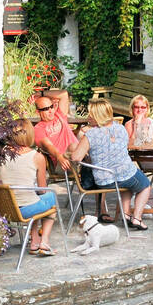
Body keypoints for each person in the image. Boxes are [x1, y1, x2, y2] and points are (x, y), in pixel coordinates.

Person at [71, 98, 152, 231]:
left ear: (98, 115)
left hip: (104, 180)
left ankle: (126, 216)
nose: (88, 117)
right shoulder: (120, 128)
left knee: (127, 183)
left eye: (91, 114)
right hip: (124, 174)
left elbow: (75, 157)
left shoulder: (90, 134)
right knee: (145, 186)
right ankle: (137, 218)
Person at [34, 88, 109, 221]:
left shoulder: (59, 115)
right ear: (37, 112)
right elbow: (48, 146)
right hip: (63, 164)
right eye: (45, 109)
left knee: (96, 162)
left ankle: (101, 210)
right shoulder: (38, 129)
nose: (51, 110)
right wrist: (60, 156)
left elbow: (63, 94)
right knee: (85, 154)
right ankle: (89, 169)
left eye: (51, 107)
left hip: (79, 159)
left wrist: (41, 94)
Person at [0, 119, 57, 257]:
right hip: (24, 210)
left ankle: (35, 241)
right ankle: (45, 242)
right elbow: (43, 189)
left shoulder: (2, 153)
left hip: (5, 208)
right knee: (51, 198)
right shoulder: (37, 157)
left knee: (33, 198)